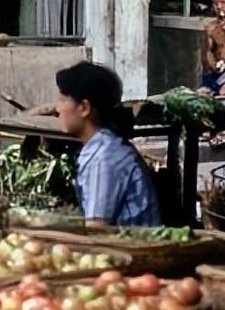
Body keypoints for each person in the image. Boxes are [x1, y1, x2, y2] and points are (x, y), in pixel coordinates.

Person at [56, 61, 160, 228]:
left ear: (84, 107)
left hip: (132, 250)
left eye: (63, 99)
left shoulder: (104, 157)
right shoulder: (104, 146)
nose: (57, 108)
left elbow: (96, 229)